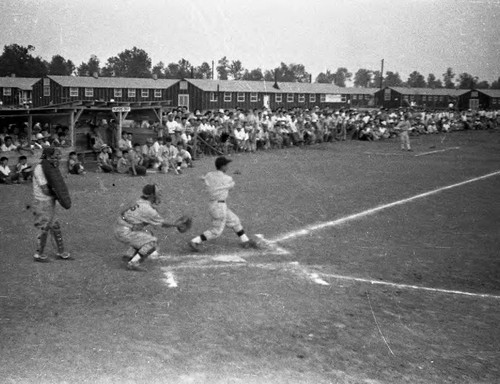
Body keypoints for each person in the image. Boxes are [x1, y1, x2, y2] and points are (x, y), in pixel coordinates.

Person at [188, 156, 260, 252]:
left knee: (235, 221)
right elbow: (231, 186)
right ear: (222, 166)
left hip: (214, 205)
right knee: (216, 231)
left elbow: (204, 178)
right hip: (219, 207)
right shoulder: (228, 178)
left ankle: (245, 240)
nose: (228, 167)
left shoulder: (209, 175)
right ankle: (195, 241)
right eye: (226, 165)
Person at [114, 184, 181, 271]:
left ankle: (128, 256)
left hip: (120, 227)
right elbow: (163, 223)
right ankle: (133, 263)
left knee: (148, 234)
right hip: (124, 232)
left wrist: (132, 224)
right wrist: (176, 225)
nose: (159, 195)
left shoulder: (139, 201)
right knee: (152, 242)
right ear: (152, 195)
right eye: (157, 193)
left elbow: (123, 212)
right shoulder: (148, 210)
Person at [32, 148, 72, 262]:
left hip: (49, 200)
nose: (56, 158)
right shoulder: (40, 169)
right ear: (47, 156)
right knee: (43, 227)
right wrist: (58, 195)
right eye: (54, 156)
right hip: (42, 202)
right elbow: (45, 189)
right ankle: (38, 254)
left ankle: (60, 252)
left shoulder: (50, 167)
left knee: (55, 226)